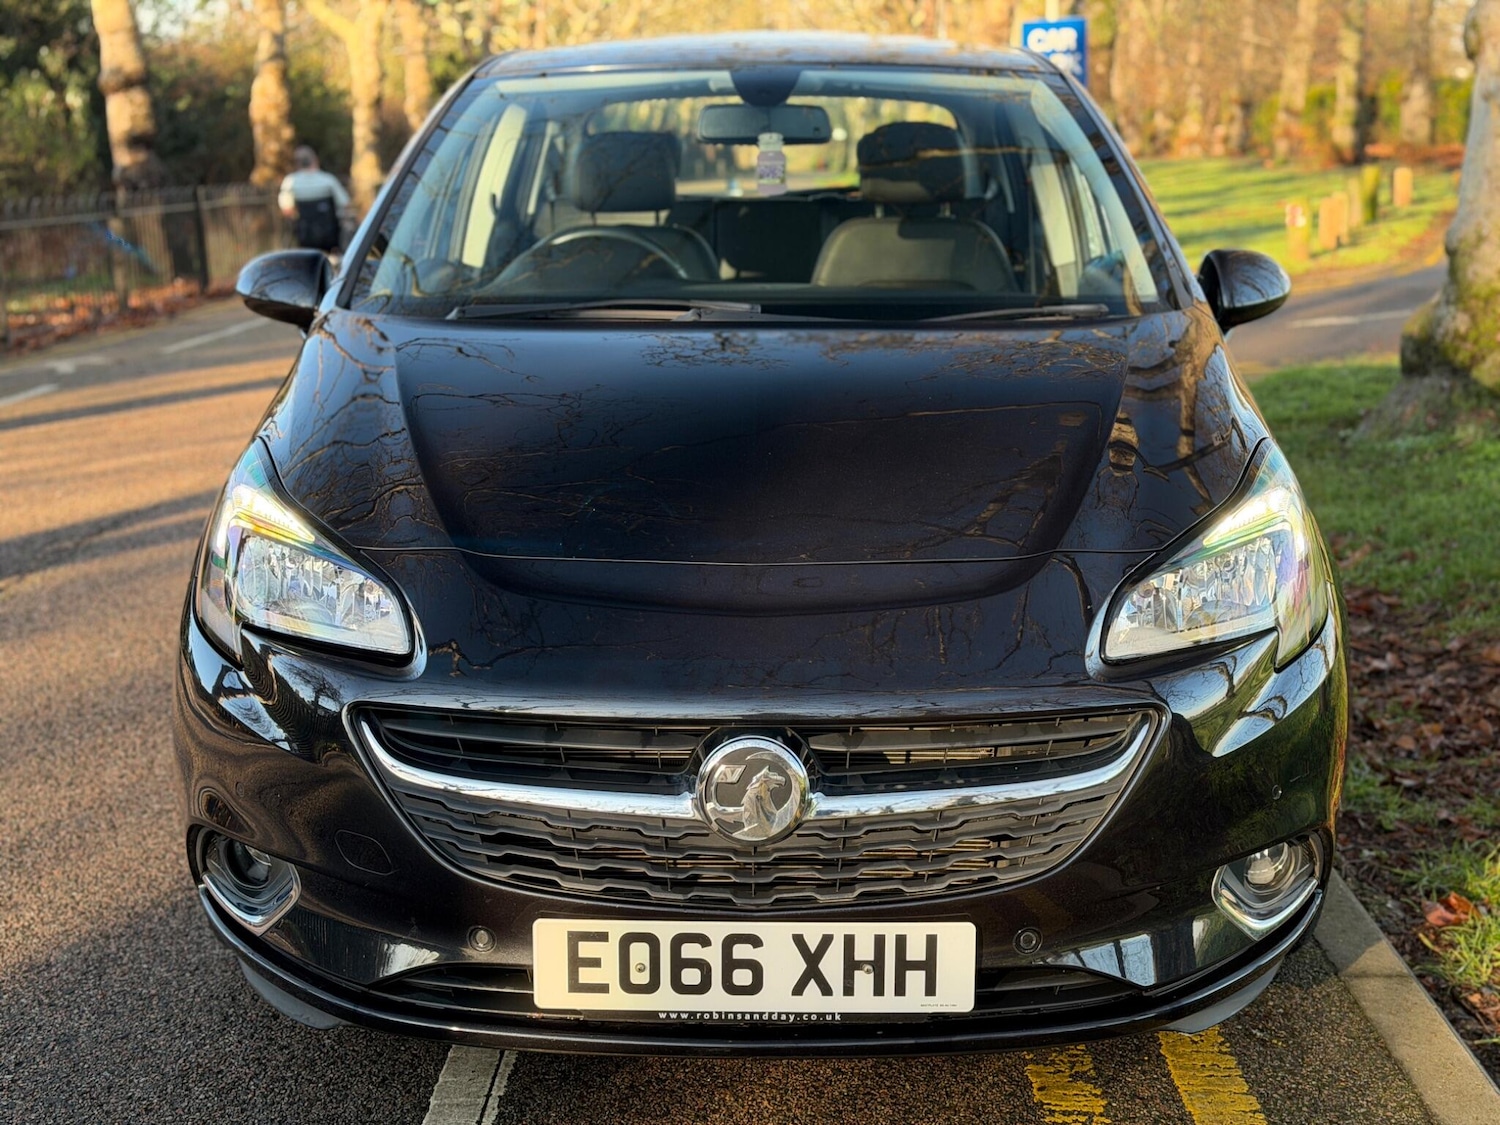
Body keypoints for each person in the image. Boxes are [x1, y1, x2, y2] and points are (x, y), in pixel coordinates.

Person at [278, 146, 350, 254]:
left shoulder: (290, 182)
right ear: (315, 160)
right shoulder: (328, 180)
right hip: (331, 236)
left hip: (305, 237)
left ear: (297, 163)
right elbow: (345, 203)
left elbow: (287, 210)